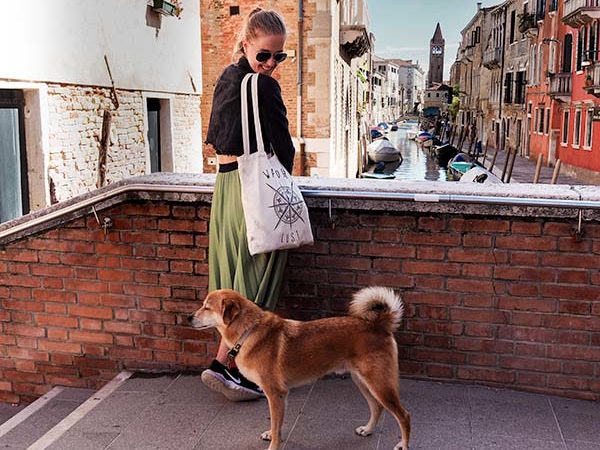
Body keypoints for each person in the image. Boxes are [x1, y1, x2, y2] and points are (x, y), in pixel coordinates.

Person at [201, 8, 295, 402]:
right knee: (258, 278)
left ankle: (221, 364)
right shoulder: (263, 87)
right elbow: (284, 148)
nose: (271, 64)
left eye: (279, 57)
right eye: (264, 56)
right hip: (251, 189)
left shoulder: (226, 77)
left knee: (230, 277)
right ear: (246, 45)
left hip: (224, 190)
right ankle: (233, 368)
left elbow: (216, 137)